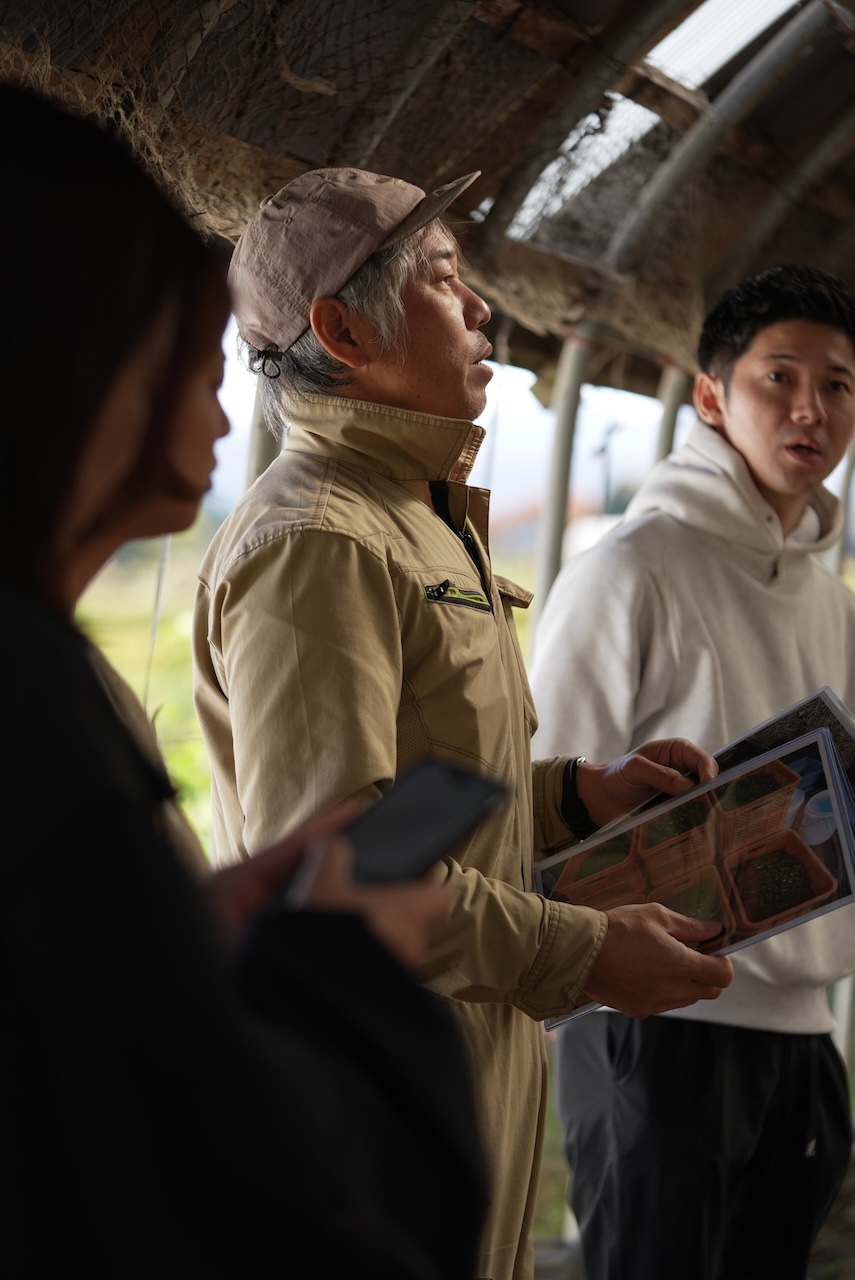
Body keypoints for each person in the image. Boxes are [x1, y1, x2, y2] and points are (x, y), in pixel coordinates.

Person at [192, 164, 734, 1279]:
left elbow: (408, 802)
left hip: (455, 1065)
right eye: (445, 281)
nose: (483, 310)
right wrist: (584, 950)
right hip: (365, 1096)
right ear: (342, 330)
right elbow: (337, 878)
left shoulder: (420, 519)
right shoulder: (318, 540)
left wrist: (579, 793)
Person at [0, 81, 489, 1277]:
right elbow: (267, 1202)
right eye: (170, 341)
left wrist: (189, 938)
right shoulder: (34, 711)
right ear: (59, 364)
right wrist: (336, 964)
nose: (226, 388)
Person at [530, 264, 855, 1280]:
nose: (811, 408)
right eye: (780, 376)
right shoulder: (629, 568)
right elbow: (545, 792)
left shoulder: (831, 594)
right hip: (657, 1031)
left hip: (803, 1031)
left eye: (840, 384)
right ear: (711, 396)